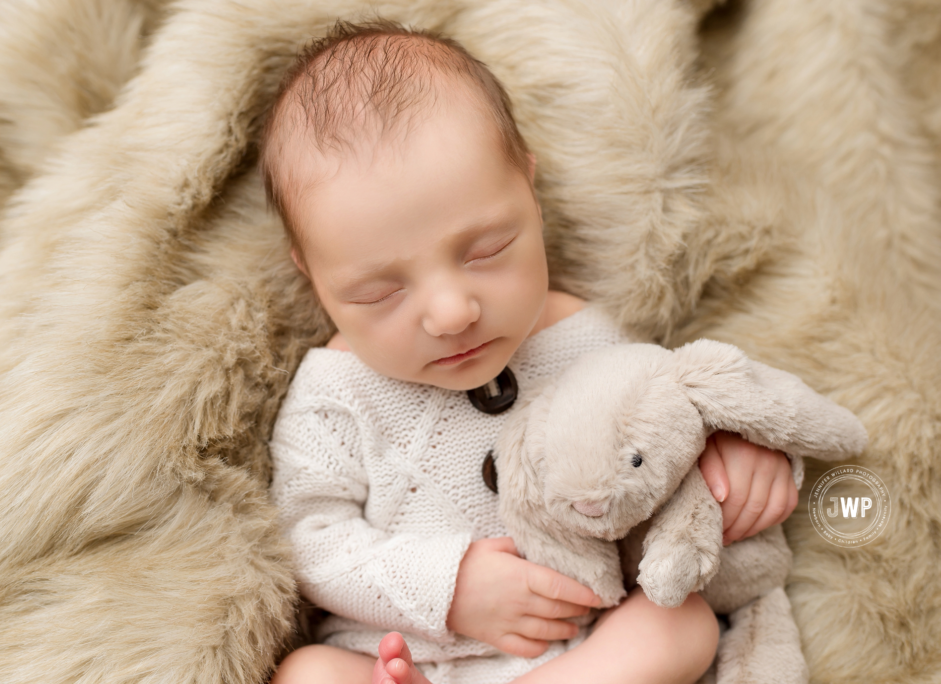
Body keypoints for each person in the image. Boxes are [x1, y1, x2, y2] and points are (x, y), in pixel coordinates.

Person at [262, 19, 799, 684]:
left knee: (679, 622)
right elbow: (306, 543)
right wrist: (450, 588)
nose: (452, 312)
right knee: (310, 673)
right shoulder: (336, 393)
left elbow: (665, 428)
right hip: (407, 660)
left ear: (530, 191)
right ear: (312, 276)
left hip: (585, 653)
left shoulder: (593, 341)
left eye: (487, 251)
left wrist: (733, 459)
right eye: (379, 293)